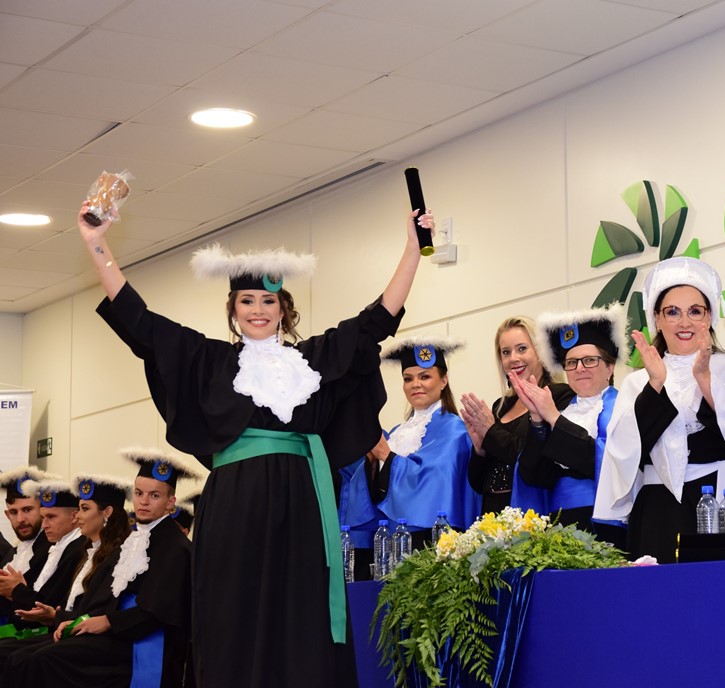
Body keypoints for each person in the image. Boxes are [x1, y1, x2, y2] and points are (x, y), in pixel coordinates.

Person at [77, 199, 432, 687]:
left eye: (268, 301)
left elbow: (378, 319)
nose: (258, 310)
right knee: (231, 611)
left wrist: (413, 248)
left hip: (302, 505)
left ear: (284, 309)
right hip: (234, 507)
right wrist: (97, 243)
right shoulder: (208, 361)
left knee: (300, 612)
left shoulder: (313, 361)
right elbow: (140, 322)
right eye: (247, 301)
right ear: (233, 309)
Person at [594, 257, 725, 563]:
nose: (684, 323)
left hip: (721, 501)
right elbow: (624, 456)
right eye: (672, 312)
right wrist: (655, 385)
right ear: (657, 319)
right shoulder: (637, 382)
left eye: (695, 311)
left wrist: (706, 381)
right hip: (658, 511)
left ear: (709, 317)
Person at [2, 448, 196, 687]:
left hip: (137, 641)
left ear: (170, 502)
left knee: (39, 661)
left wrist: (107, 622)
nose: (144, 501)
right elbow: (104, 599)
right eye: (139, 493)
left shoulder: (175, 547)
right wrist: (75, 620)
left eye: (154, 495)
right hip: (116, 631)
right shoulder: (135, 540)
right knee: (19, 659)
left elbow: (158, 611)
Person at [340, 338, 480, 579]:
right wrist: (371, 463)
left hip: (429, 543)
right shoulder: (397, 433)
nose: (416, 384)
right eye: (408, 378)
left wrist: (385, 455)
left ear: (443, 380)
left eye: (425, 377)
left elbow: (433, 482)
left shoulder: (454, 429)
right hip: (389, 544)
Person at [513, 304, 626, 542]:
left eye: (589, 360)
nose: (579, 368)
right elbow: (533, 477)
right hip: (559, 525)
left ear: (610, 366)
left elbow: (600, 462)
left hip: (605, 523)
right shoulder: (563, 411)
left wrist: (554, 418)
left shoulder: (624, 408)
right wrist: (537, 421)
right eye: (572, 362)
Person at [0, 474, 132, 672]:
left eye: (84, 509)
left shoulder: (104, 554)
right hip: (65, 627)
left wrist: (20, 592)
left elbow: (93, 611)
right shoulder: (86, 551)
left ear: (107, 512)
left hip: (93, 639)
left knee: (23, 659)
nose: (44, 524)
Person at [461, 317, 574, 516]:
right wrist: (480, 450)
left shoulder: (559, 396)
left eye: (522, 349)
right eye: (506, 352)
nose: (513, 358)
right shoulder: (500, 407)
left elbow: (535, 461)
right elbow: (478, 484)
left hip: (534, 515)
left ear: (540, 352)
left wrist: (491, 432)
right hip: (492, 517)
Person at [0, 479, 88, 635]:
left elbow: (48, 605)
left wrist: (17, 590)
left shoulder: (77, 550)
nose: (44, 524)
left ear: (74, 516)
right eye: (14, 512)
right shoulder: (58, 546)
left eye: (51, 517)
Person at [0, 468, 58, 625]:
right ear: (7, 515)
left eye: (27, 510)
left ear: (43, 509)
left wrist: (17, 591)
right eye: (14, 512)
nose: (20, 519)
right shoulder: (14, 552)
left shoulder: (56, 549)